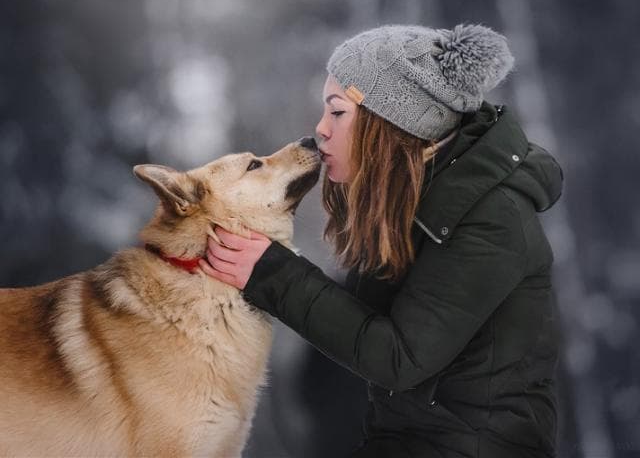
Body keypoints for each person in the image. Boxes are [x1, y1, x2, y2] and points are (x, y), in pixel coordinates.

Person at [199, 24, 564, 458]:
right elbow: (355, 331)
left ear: (390, 122)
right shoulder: (415, 206)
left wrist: (273, 274)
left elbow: (398, 357)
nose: (321, 130)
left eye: (337, 112)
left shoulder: (491, 219)